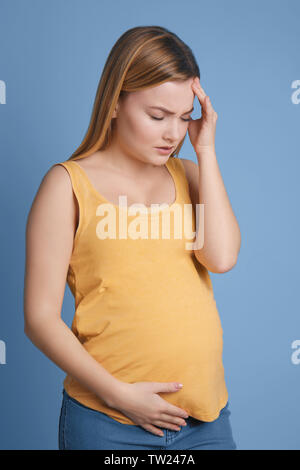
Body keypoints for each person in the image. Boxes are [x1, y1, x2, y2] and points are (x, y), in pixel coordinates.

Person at [24, 25, 241, 450]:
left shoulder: (193, 176)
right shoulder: (67, 185)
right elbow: (40, 318)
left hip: (205, 423)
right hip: (111, 423)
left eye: (183, 117)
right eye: (158, 116)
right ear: (115, 103)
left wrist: (207, 151)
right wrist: (118, 394)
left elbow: (222, 257)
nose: (173, 133)